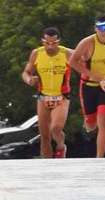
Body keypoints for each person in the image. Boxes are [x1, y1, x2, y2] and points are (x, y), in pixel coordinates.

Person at [70, 15, 105, 159]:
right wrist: (90, 74)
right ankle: (87, 122)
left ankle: (99, 158)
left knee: (104, 120)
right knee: (91, 124)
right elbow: (72, 61)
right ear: (95, 28)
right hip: (88, 85)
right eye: (102, 28)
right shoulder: (87, 43)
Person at [22, 27, 72, 158]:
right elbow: (26, 72)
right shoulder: (36, 53)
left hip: (62, 96)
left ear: (59, 42)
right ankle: (47, 163)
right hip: (43, 96)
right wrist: (29, 80)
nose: (50, 46)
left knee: (56, 128)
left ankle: (61, 146)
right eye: (47, 43)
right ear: (42, 41)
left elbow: (83, 64)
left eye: (54, 43)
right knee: (44, 136)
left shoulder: (67, 53)